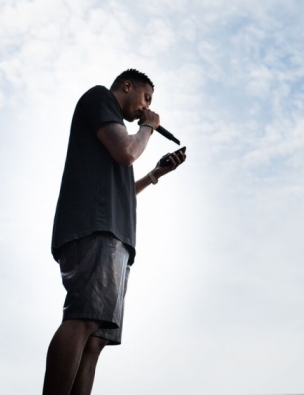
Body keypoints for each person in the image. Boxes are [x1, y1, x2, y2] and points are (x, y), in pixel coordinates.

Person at [42, 69, 186, 395]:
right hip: (96, 228)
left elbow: (120, 189)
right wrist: (150, 125)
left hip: (116, 236)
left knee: (96, 338)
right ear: (127, 86)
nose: (146, 106)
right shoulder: (100, 99)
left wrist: (155, 174)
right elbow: (127, 152)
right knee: (82, 319)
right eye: (146, 98)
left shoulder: (119, 131)